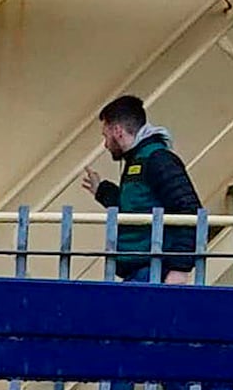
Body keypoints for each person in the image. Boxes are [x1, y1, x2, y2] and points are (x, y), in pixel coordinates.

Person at [86, 96, 202, 282]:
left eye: (105, 136)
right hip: (143, 268)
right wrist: (102, 191)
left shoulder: (157, 160)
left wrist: (179, 269)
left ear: (117, 131)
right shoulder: (140, 159)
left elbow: (188, 210)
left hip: (154, 269)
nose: (105, 144)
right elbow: (137, 207)